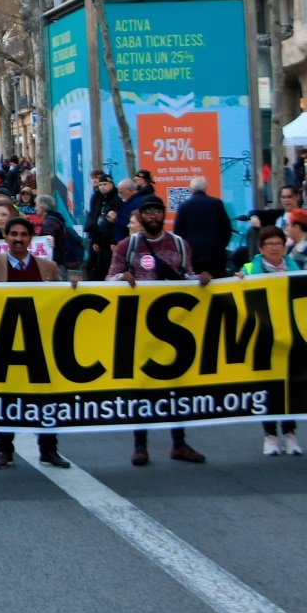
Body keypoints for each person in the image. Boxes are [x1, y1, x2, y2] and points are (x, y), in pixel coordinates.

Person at [109, 198, 211, 466]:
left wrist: (200, 279)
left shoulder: (179, 244)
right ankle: (140, 445)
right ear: (140, 217)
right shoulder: (127, 246)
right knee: (141, 388)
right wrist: (122, 279)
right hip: (139, 327)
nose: (153, 216)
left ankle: (179, 443)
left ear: (164, 215)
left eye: (157, 211)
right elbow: (108, 279)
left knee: (176, 386)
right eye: (147, 212)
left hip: (174, 328)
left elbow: (186, 276)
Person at [0, 214, 74, 470]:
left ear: (31, 239)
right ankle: (4, 449)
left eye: (23, 235)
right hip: (4, 342)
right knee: (4, 399)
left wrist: (74, 287)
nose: (18, 239)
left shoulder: (47, 267)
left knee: (46, 399)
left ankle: (48, 450)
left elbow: (60, 299)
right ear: (6, 237)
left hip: (39, 341)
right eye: (14, 234)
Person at [237, 227, 306, 455]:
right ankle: (270, 436)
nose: (275, 247)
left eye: (278, 243)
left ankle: (290, 434)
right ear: (261, 248)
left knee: (290, 387)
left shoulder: (297, 267)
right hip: (263, 337)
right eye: (270, 244)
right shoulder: (249, 269)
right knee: (268, 388)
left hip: (290, 335)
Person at [172, 176, 234, 277]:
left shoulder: (184, 206)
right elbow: (227, 230)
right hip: (215, 256)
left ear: (191, 189)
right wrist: (220, 246)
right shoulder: (217, 204)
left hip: (192, 256)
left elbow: (178, 234)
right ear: (205, 188)